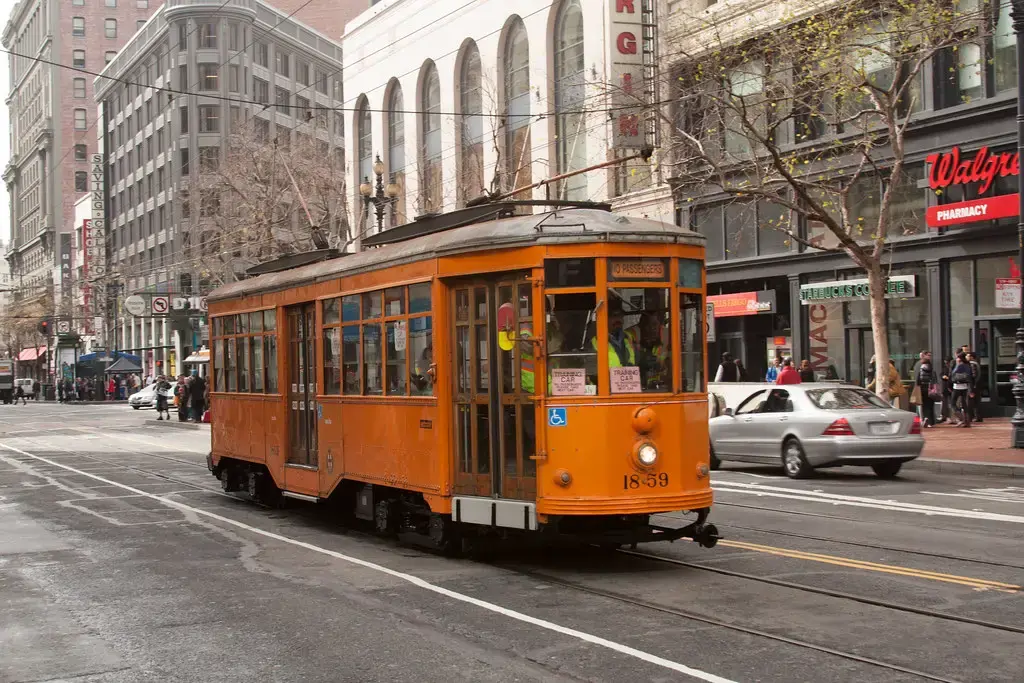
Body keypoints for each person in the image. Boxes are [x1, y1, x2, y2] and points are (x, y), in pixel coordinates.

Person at [593, 304, 636, 370]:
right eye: (614, 316)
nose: (618, 319)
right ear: (605, 318)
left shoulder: (628, 336)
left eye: (620, 316)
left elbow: (635, 359)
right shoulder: (596, 340)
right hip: (607, 379)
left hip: (628, 378)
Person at [949, 353, 974, 427]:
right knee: (964, 404)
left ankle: (961, 418)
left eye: (957, 358)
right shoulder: (968, 365)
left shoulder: (959, 365)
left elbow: (953, 374)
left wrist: (956, 364)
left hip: (957, 387)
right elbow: (970, 377)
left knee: (953, 403)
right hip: (965, 387)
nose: (956, 359)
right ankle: (967, 422)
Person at [916, 352, 937, 427]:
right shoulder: (931, 369)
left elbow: (918, 379)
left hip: (923, 388)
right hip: (930, 389)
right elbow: (934, 379)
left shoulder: (920, 369)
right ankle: (931, 421)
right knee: (930, 405)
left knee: (924, 405)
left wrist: (918, 386)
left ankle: (925, 418)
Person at [966, 352, 983, 423]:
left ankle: (971, 417)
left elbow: (973, 375)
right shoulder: (976, 363)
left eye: (967, 356)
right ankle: (977, 416)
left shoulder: (972, 364)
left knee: (970, 402)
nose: (966, 357)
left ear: (971, 357)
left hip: (972, 386)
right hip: (976, 385)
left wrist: (971, 384)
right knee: (976, 401)